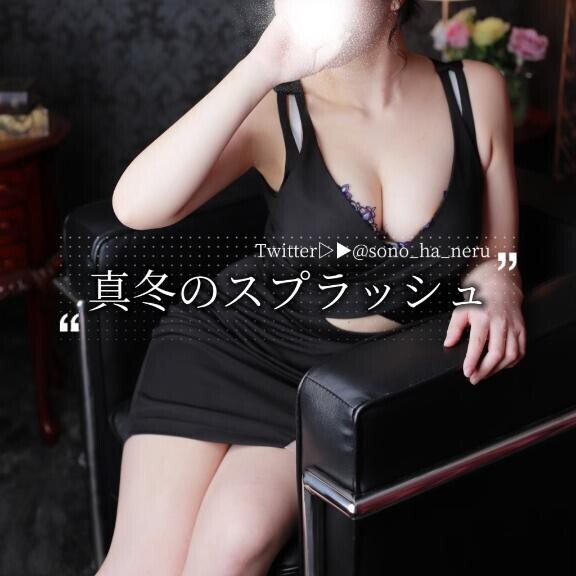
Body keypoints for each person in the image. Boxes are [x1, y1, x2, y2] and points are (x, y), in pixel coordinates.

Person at [101, 0, 526, 574]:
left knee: (233, 545)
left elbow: (497, 254)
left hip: (339, 389)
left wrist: (496, 287)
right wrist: (260, 67)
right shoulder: (277, 106)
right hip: (226, 346)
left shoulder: (474, 91)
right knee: (139, 566)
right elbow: (134, 208)